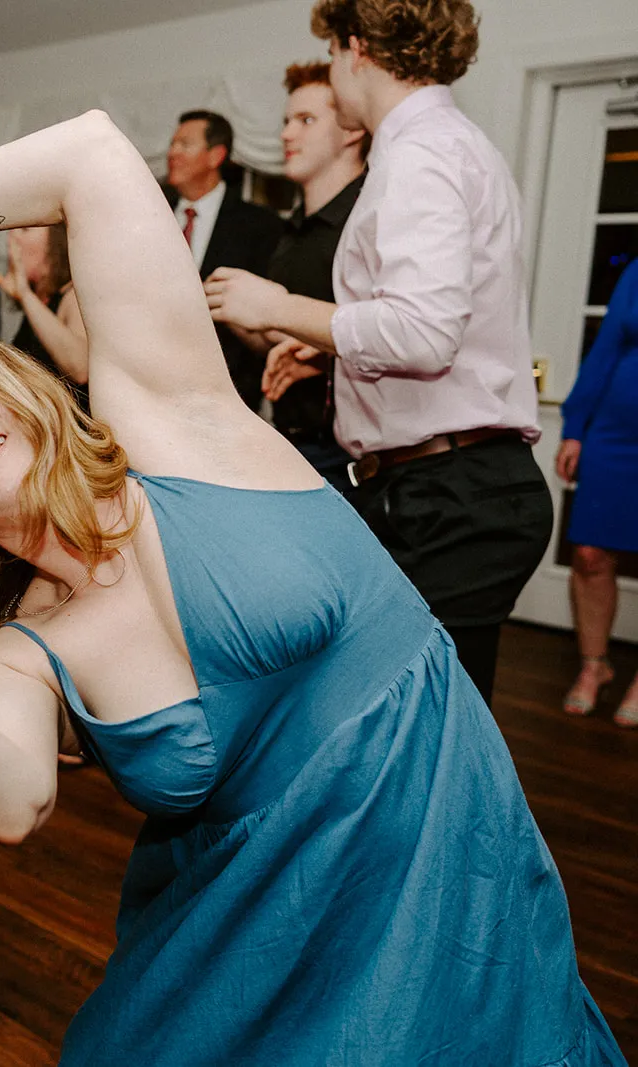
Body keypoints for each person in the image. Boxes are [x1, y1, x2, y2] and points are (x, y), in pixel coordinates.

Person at [0, 111, 623, 1062]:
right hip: (240, 954)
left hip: (443, 878)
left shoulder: (178, 428)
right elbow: (4, 801)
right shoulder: (23, 652)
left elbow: (91, 153)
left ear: (27, 397)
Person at [203, 0, 554, 705]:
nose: (331, 78)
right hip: (443, 487)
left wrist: (279, 309)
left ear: (356, 48)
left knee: (422, 737)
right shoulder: (449, 144)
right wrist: (329, 355)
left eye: (332, 58)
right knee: (410, 729)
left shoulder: (421, 152)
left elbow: (424, 333)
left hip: (451, 494)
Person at [244, 61, 368, 491]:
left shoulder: (370, 221)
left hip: (354, 458)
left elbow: (396, 335)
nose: (286, 134)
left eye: (306, 120)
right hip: (289, 442)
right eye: (285, 121)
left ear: (352, 129)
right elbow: (281, 340)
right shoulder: (292, 228)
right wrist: (235, 313)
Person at [557, 259, 638, 725]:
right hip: (616, 432)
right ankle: (595, 666)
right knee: (588, 552)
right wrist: (575, 427)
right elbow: (607, 349)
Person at [165, 110, 286, 411]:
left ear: (215, 155)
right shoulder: (152, 214)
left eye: (185, 144)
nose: (172, 153)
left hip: (228, 395)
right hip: (155, 389)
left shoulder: (260, 225)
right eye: (172, 144)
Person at [0, 226, 89, 409]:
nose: (13, 238)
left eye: (25, 230)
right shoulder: (38, 304)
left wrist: (25, 295)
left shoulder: (73, 295)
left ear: (56, 241)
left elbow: (81, 368)